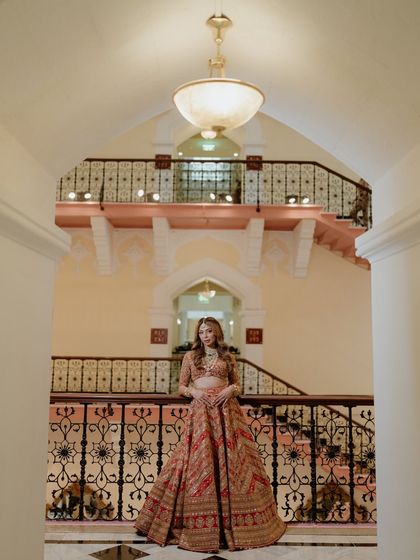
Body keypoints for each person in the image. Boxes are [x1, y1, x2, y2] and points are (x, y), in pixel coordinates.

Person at [134, 316, 286, 552]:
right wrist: (194, 393)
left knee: (233, 462)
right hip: (201, 411)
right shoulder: (190, 356)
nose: (205, 335)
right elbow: (181, 386)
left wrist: (230, 390)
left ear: (216, 333)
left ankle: (233, 525)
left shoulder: (227, 356)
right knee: (198, 461)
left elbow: (237, 384)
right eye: (202, 331)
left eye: (209, 331)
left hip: (226, 412)